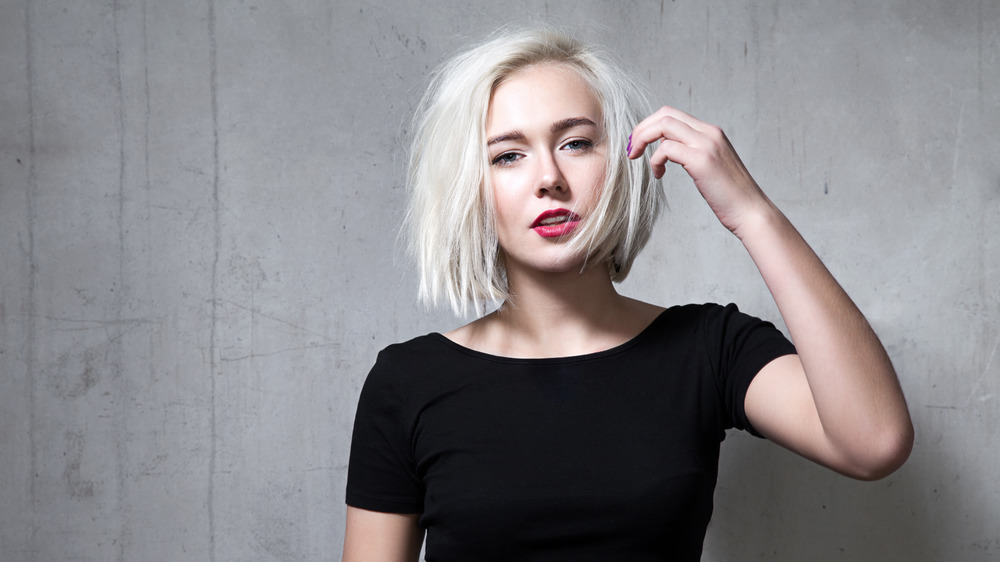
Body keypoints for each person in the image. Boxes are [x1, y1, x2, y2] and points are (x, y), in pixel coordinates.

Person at [343, 28, 913, 561]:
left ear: (623, 161)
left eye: (576, 143)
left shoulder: (709, 348)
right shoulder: (406, 383)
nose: (549, 177)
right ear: (470, 188)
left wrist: (751, 213)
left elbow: (875, 443)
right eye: (508, 155)